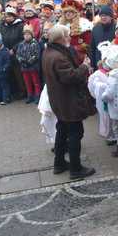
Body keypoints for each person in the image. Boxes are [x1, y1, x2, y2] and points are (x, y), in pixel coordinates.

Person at [42, 24, 97, 180]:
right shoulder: (57, 56)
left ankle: (59, 164)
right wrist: (85, 67)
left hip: (60, 100)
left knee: (62, 131)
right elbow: (70, 77)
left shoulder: (50, 51)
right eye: (67, 35)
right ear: (61, 38)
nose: (69, 38)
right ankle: (76, 168)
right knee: (75, 134)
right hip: (68, 101)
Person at [0, 6, 26, 99]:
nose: (8, 18)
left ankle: (22, 91)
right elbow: (1, 37)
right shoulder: (2, 26)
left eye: (10, 16)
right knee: (8, 73)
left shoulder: (20, 25)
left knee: (18, 73)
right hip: (5, 51)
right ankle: (12, 92)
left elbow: (22, 39)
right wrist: (5, 48)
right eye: (7, 16)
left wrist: (13, 49)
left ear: (14, 16)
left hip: (16, 52)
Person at [15, 24, 41, 104]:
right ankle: (30, 95)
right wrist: (21, 60)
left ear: (31, 35)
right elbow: (18, 54)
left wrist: (29, 61)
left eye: (28, 34)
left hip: (33, 67)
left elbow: (36, 55)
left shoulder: (35, 43)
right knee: (27, 82)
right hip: (24, 67)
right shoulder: (21, 44)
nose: (26, 36)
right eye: (25, 34)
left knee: (35, 82)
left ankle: (37, 95)